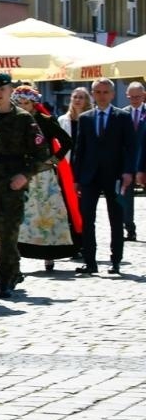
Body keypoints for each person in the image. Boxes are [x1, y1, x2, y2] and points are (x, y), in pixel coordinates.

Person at [0, 74, 48, 299]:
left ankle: (4, 281)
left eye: (2, 88)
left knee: (8, 234)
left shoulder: (23, 119)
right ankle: (9, 270)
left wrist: (25, 174)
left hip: (13, 185)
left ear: (11, 90)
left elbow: (42, 153)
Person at [71, 78, 136, 276]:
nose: (101, 96)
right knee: (87, 219)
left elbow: (131, 147)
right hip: (89, 176)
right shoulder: (86, 118)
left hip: (114, 175)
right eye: (98, 92)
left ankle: (115, 261)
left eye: (105, 92)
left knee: (115, 219)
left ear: (112, 94)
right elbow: (79, 149)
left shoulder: (123, 117)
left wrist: (128, 172)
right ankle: (90, 262)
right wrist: (75, 178)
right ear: (93, 94)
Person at [13, 86, 81, 272]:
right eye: (19, 103)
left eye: (25, 103)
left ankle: (50, 255)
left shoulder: (45, 120)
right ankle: (14, 255)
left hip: (43, 175)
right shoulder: (14, 120)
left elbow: (66, 141)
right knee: (20, 215)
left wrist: (54, 160)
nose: (22, 106)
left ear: (33, 103)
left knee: (48, 214)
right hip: (21, 173)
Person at [122, 81, 146, 241]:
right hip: (127, 163)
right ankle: (129, 228)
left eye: (138, 96)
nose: (135, 100)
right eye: (132, 97)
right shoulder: (123, 114)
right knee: (126, 199)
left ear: (144, 95)